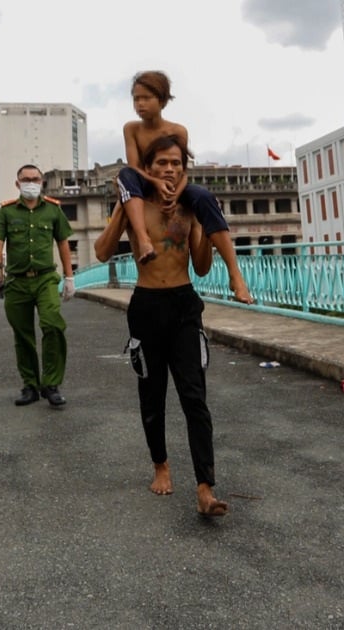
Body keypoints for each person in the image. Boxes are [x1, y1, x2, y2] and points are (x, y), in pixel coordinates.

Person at [94, 134, 231, 517]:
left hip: (185, 305)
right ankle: (161, 465)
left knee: (194, 398)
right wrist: (121, 212)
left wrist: (204, 231)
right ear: (148, 168)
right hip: (147, 305)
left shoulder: (191, 206)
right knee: (151, 396)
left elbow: (201, 267)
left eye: (176, 163)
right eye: (161, 163)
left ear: (183, 169)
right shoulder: (135, 205)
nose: (169, 169)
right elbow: (102, 251)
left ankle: (205, 486)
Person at [118, 71, 253, 305]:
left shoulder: (177, 130)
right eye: (136, 99)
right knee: (125, 174)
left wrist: (177, 192)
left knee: (203, 196)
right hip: (143, 181)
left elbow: (182, 169)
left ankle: (235, 275)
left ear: (162, 100)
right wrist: (156, 182)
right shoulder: (132, 129)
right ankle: (143, 239)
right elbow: (134, 167)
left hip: (174, 184)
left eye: (146, 98)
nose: (139, 104)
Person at [0, 164, 75, 407]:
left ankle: (51, 384)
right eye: (25, 179)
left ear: (42, 181)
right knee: (23, 335)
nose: (31, 183)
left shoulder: (54, 210)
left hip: (46, 278)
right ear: (17, 184)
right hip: (17, 281)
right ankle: (30, 385)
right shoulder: (6, 212)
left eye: (35, 178)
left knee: (53, 324)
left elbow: (63, 243)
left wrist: (69, 277)